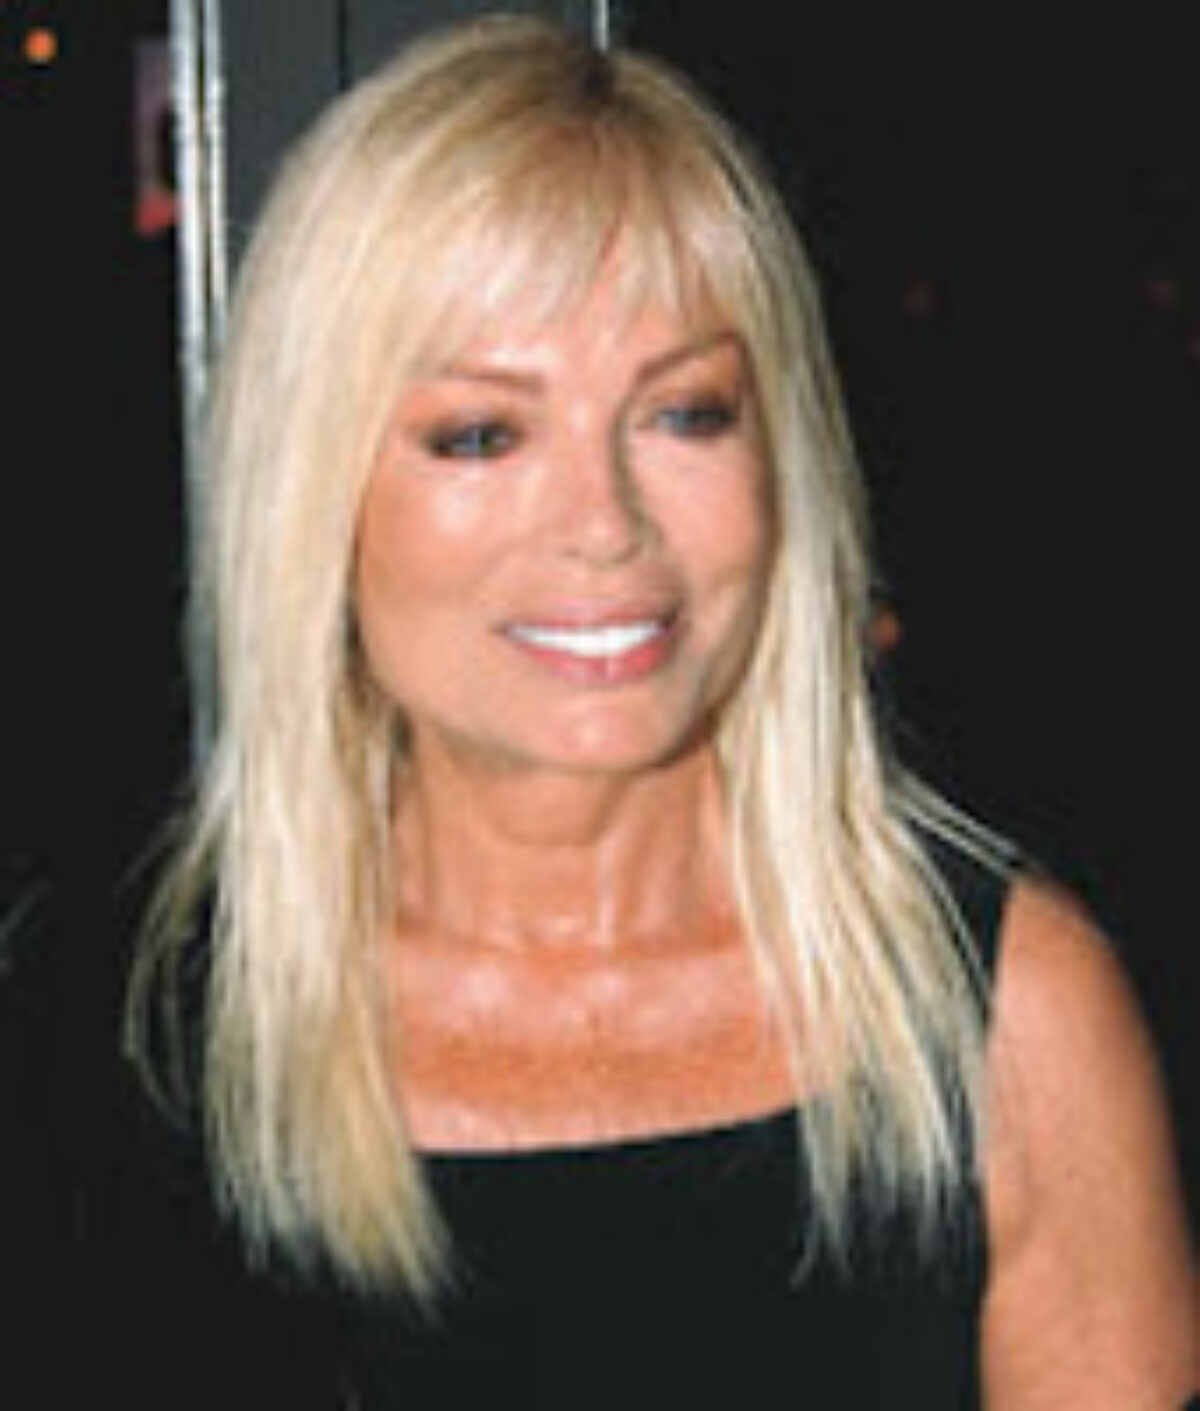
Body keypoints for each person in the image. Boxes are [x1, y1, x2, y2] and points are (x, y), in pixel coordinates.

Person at [119, 14, 1196, 1408]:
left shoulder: (1012, 1026)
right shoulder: (113, 1048)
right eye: (481, 434)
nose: (605, 523)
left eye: (685, 413)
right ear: (316, 497)